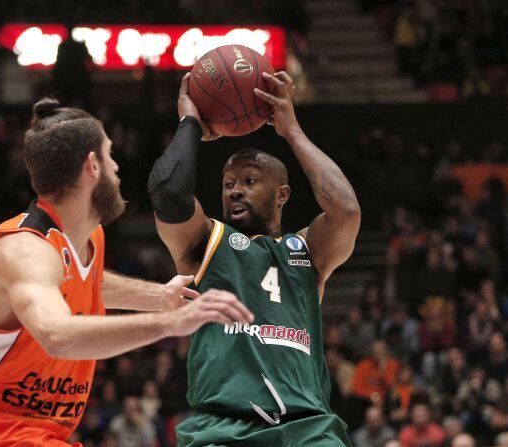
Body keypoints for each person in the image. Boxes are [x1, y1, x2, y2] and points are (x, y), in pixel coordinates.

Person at [0, 98, 253, 446]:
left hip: (26, 435)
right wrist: (172, 325)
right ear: (92, 165)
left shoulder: (86, 240)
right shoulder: (25, 250)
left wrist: (159, 298)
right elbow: (57, 334)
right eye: (110, 154)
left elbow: (86, 282)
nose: (117, 167)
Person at [148, 71, 360, 445]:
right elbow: (168, 192)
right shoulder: (208, 242)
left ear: (282, 194)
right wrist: (190, 123)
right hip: (222, 427)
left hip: (306, 429)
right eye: (228, 184)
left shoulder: (307, 250)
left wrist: (291, 129)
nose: (235, 191)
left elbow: (345, 210)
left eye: (249, 181)